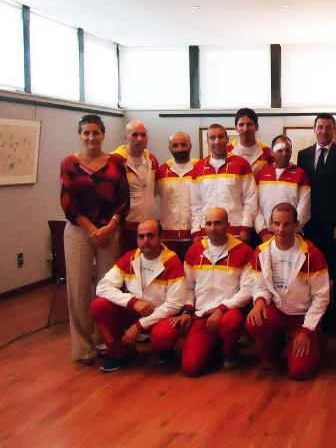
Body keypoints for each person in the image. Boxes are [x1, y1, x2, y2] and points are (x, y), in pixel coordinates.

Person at [61, 114, 129, 365]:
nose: (91, 137)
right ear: (80, 135)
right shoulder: (69, 163)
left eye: (96, 132)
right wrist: (92, 229)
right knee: (78, 290)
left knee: (107, 288)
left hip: (110, 231)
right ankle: (83, 346)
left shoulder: (116, 163)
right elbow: (67, 202)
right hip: (80, 231)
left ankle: (106, 341)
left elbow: (123, 201)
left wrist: (109, 228)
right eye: (86, 133)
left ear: (103, 134)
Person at [246, 203, 330, 380]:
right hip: (277, 313)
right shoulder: (261, 252)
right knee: (254, 321)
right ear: (270, 223)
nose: (281, 229)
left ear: (296, 225)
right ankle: (273, 354)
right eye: (277, 223)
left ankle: (313, 341)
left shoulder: (312, 254)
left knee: (299, 373)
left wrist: (307, 331)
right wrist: (260, 301)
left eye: (286, 224)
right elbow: (259, 286)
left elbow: (321, 298)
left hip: (302, 318)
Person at [91, 220, 185, 372]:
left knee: (163, 336)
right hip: (135, 311)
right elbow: (102, 286)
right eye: (141, 236)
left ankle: (164, 350)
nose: (145, 241)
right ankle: (122, 353)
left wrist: (138, 326)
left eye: (150, 236)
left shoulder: (172, 262)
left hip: (161, 316)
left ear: (161, 237)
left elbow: (174, 304)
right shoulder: (129, 258)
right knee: (99, 305)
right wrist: (132, 302)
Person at [297, 113, 336, 339]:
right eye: (320, 127)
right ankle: (315, 321)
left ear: (334, 130)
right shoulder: (303, 155)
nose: (324, 131)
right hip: (311, 227)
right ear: (314, 129)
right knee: (313, 276)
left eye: (328, 127)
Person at [179, 207, 253, 376]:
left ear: (228, 226)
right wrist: (188, 310)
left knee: (231, 323)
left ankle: (230, 349)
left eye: (218, 223)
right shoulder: (193, 251)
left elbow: (248, 290)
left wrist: (222, 308)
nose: (213, 228)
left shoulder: (244, 251)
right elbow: (189, 287)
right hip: (202, 315)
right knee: (190, 369)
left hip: (229, 313)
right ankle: (214, 347)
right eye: (209, 223)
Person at [190, 124, 258, 244]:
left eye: (221, 137)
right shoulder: (198, 167)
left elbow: (250, 198)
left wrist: (246, 227)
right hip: (207, 233)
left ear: (227, 139)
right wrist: (196, 231)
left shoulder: (242, 164)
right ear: (207, 141)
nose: (217, 141)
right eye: (212, 138)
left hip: (236, 232)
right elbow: (196, 204)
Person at [112, 121, 159, 253]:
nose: (139, 139)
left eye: (143, 135)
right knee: (126, 266)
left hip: (147, 224)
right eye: (135, 135)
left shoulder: (152, 160)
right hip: (124, 226)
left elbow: (153, 190)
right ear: (125, 138)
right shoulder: (114, 161)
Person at [253, 135, 310, 241]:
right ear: (271, 152)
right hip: (265, 236)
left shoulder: (300, 174)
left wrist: (291, 230)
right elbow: (255, 206)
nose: (284, 154)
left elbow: (304, 208)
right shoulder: (261, 174)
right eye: (280, 150)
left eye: (288, 150)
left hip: (291, 236)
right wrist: (263, 232)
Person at [156, 132, 198, 258]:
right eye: (175, 145)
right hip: (168, 237)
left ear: (190, 146)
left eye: (183, 144)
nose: (179, 149)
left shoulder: (200, 168)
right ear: (169, 148)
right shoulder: (161, 171)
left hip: (194, 235)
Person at [228, 107, 273, 176]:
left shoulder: (267, 153)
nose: (245, 129)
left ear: (257, 127)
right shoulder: (227, 151)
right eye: (241, 124)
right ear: (236, 128)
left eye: (249, 124)